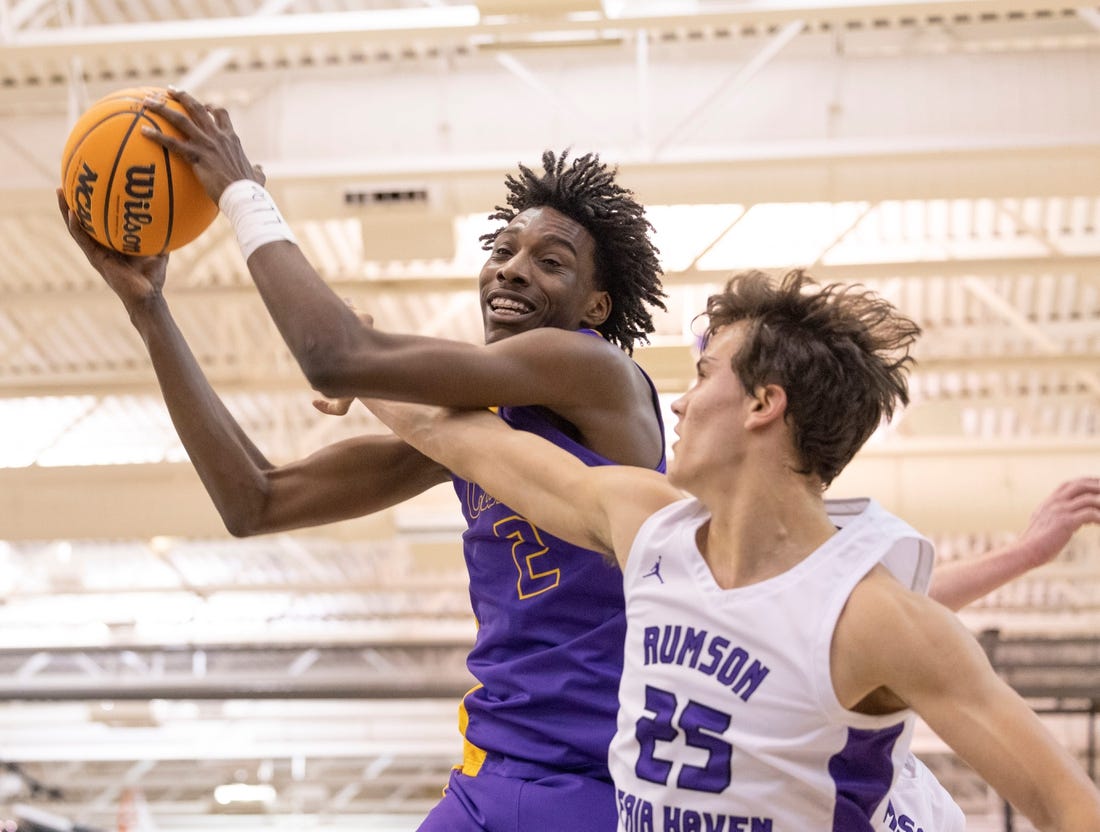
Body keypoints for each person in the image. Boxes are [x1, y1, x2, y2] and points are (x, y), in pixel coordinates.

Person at [59, 89, 1098, 830]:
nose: (511, 269)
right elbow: (258, 498)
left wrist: (244, 193)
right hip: (490, 772)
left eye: (548, 260)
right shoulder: (498, 432)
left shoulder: (595, 378)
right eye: (501, 251)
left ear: (596, 307)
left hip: (605, 787)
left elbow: (337, 353)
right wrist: (152, 313)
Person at [362, 269, 1100, 830]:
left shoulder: (874, 618)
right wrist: (359, 361)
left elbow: (1064, 802)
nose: (678, 402)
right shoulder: (648, 525)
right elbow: (452, 435)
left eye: (704, 374)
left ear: (762, 403)